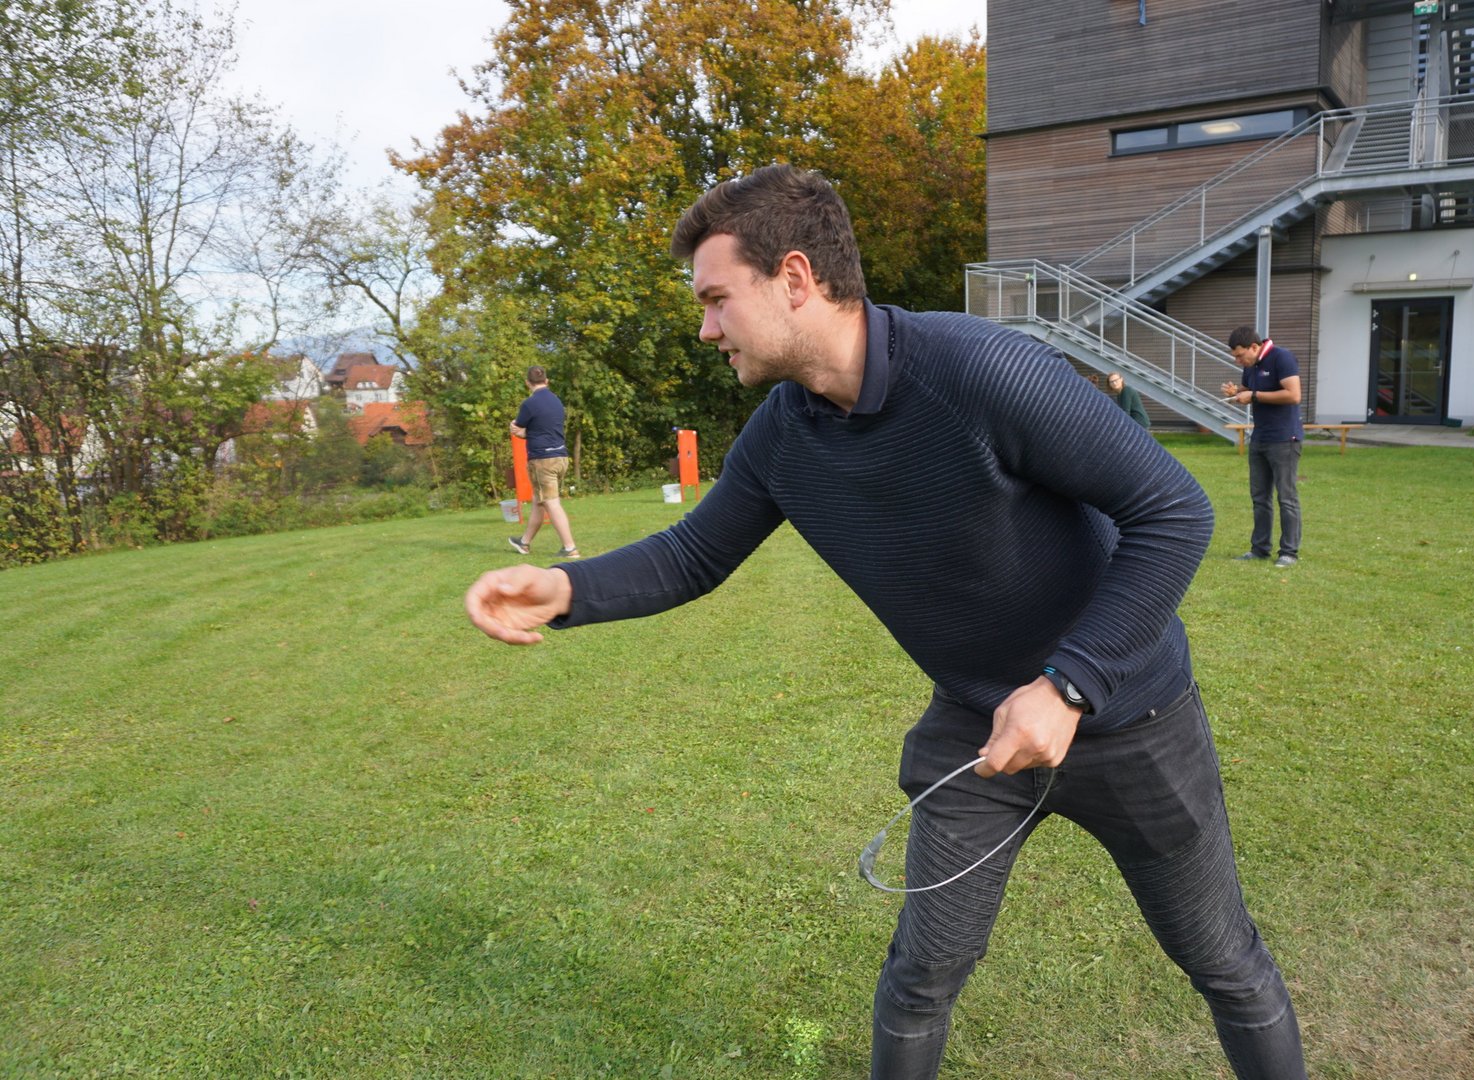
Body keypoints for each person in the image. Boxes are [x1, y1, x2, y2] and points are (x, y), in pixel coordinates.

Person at [466, 165, 1306, 1079]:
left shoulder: (981, 370)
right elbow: (691, 556)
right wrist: (563, 588)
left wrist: (1069, 686)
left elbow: (1173, 511)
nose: (706, 328)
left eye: (715, 300)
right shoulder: (784, 434)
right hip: (975, 730)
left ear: (794, 278)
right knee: (919, 978)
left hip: (1134, 717)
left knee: (1224, 963)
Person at [1222, 327, 1304, 568]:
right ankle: (1259, 549)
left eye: (1240, 356)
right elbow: (1251, 391)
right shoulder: (1250, 365)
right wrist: (1238, 392)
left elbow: (1293, 395)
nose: (1238, 361)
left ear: (1254, 347)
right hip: (1260, 438)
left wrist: (1254, 395)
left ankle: (1288, 552)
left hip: (1284, 439)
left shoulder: (1282, 357)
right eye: (1235, 357)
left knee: (1286, 497)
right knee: (1259, 497)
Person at [508, 366, 580, 559]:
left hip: (543, 460)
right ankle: (524, 543)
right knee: (538, 501)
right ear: (546, 381)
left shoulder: (529, 404)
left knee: (550, 502)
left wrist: (514, 428)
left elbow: (518, 428)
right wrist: (525, 433)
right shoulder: (556, 401)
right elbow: (541, 430)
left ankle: (570, 548)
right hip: (561, 457)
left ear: (527, 383)